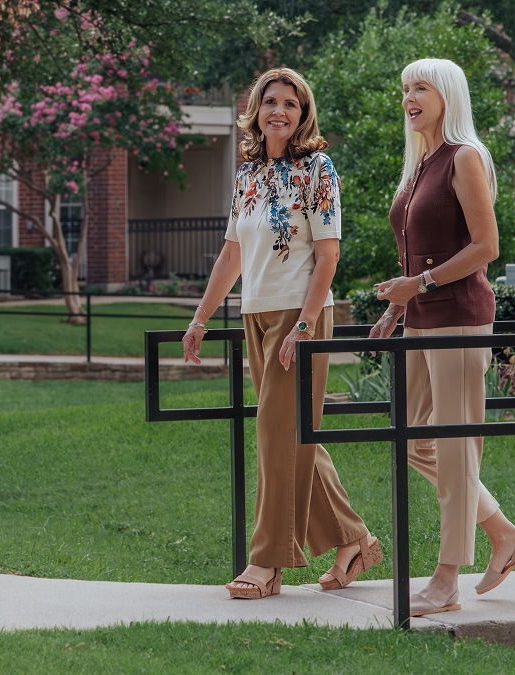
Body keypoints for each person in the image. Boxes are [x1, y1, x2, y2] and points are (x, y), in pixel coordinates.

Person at [183, 68, 381, 600]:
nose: (280, 110)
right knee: (293, 436)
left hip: (301, 314)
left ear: (302, 113)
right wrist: (202, 318)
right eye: (270, 101)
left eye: (290, 103)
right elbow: (232, 254)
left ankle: (267, 562)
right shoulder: (248, 174)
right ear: (256, 110)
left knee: (275, 437)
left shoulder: (318, 168)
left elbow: (328, 255)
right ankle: (354, 540)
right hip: (256, 314)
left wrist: (303, 326)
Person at [370, 58, 515, 617]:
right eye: (405, 88)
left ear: (447, 95)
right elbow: (415, 249)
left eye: (420, 87)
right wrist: (398, 309)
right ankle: (505, 534)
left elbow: (485, 247)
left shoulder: (464, 158)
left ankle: (446, 580)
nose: (409, 97)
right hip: (421, 319)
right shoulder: (422, 163)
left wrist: (416, 284)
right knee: (418, 442)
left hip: (461, 319)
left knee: (453, 447)